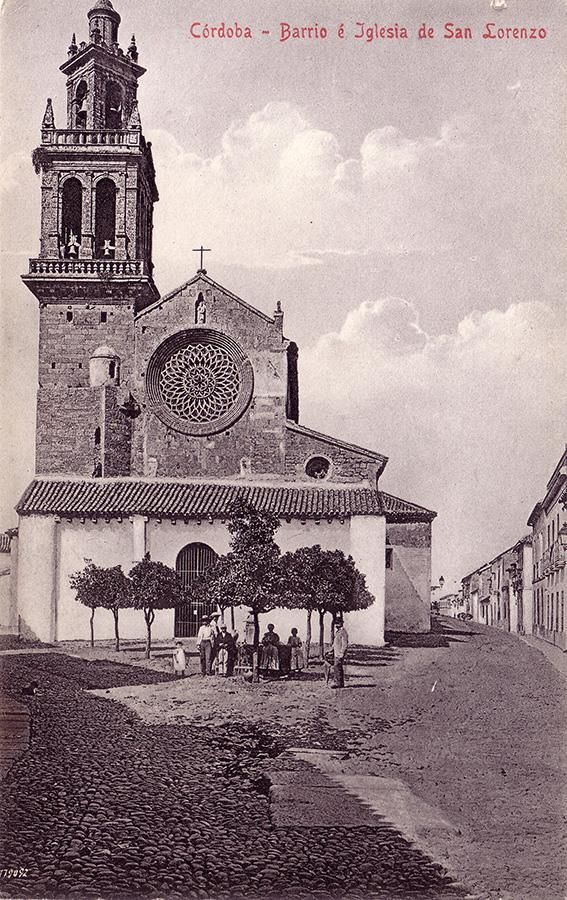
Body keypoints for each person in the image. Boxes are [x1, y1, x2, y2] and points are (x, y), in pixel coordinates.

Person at [331, 619, 348, 688]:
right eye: (336, 623)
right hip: (336, 652)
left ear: (341, 623)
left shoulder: (343, 632)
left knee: (337, 667)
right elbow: (335, 643)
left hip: (339, 653)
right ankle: (339, 683)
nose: (336, 625)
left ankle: (338, 683)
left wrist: (342, 653)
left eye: (338, 623)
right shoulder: (338, 632)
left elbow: (344, 644)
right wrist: (331, 649)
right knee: (336, 667)